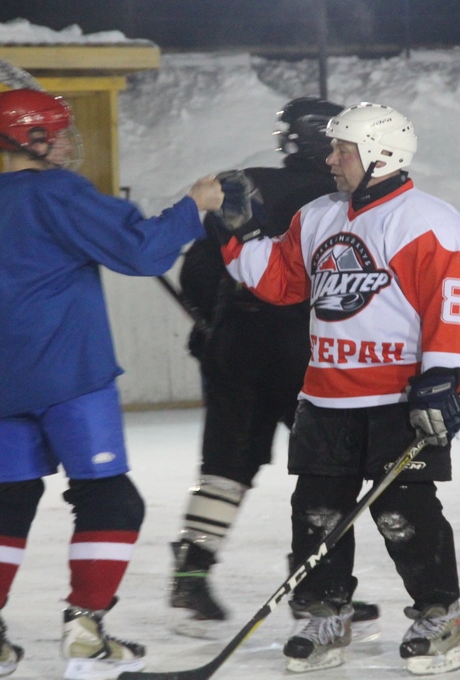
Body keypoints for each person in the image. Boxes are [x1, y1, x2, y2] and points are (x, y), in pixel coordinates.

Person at [0, 88, 223, 680]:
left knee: (7, 498)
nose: (68, 142)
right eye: (59, 132)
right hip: (69, 375)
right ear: (33, 138)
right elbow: (141, 251)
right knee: (111, 499)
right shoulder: (57, 193)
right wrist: (194, 206)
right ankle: (86, 632)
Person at [216, 102, 460, 675]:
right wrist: (238, 234)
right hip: (326, 396)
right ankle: (325, 615)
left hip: (398, 401)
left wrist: (442, 379)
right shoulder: (317, 216)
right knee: (317, 514)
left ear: (381, 155)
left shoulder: (429, 220)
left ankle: (440, 614)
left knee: (403, 514)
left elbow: (452, 307)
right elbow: (280, 281)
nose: (331, 160)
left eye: (343, 150)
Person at [168, 97, 379, 639]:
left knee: (227, 463)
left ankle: (192, 568)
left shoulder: (244, 183)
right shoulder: (343, 200)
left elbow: (197, 268)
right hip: (304, 351)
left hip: (235, 346)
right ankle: (314, 586)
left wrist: (212, 322)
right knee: (325, 472)